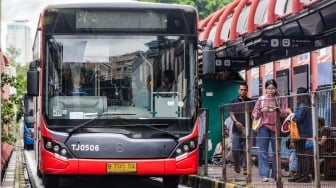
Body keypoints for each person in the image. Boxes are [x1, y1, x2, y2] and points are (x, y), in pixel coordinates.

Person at [252, 79, 291, 182]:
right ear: (265, 89)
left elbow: (284, 112)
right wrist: (262, 110)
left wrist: (277, 109)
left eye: (272, 88)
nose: (270, 90)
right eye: (268, 88)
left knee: (276, 152)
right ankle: (264, 175)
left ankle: (276, 174)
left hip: (276, 127)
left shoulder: (281, 99)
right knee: (263, 151)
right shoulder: (261, 99)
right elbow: (254, 113)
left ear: (276, 88)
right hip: (263, 127)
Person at [288, 87, 313, 183]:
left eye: (297, 94)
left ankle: (304, 175)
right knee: (300, 154)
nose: (296, 97)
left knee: (301, 154)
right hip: (303, 133)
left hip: (300, 133)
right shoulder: (307, 106)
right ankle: (300, 174)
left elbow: (297, 118)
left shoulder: (302, 106)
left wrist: (291, 114)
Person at [229, 82, 252, 175]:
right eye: (241, 89)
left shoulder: (250, 101)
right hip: (236, 129)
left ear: (247, 91)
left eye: (245, 90)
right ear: (238, 90)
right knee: (235, 148)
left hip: (247, 128)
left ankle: (246, 167)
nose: (243, 91)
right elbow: (231, 113)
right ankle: (236, 163)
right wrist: (235, 122)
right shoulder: (233, 101)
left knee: (246, 149)